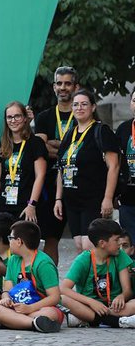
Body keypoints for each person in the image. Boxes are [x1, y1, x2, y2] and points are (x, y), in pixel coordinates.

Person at [54, 89, 121, 252]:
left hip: (93, 198)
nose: (79, 108)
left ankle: (104, 277)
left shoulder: (101, 131)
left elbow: (114, 166)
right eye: (75, 104)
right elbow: (61, 169)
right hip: (72, 200)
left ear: (93, 107)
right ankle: (90, 278)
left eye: (84, 104)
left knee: (90, 246)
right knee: (79, 246)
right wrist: (58, 199)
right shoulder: (69, 134)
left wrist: (108, 198)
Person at [32, 66, 79, 264]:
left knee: (83, 239)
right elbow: (41, 148)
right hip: (51, 185)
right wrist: (70, 149)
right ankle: (51, 285)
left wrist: (56, 146)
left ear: (75, 87)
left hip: (79, 183)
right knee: (51, 237)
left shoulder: (83, 113)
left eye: (67, 83)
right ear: (53, 87)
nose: (63, 87)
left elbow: (85, 148)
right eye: (59, 83)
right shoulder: (44, 117)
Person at [0, 220, 62, 332]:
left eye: (11, 238)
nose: (9, 242)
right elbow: (7, 290)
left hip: (38, 307)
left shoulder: (44, 263)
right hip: (16, 307)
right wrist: (5, 299)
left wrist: (30, 308)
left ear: (19, 241)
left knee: (51, 314)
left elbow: (54, 297)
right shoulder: (13, 260)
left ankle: (9, 321)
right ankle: (34, 323)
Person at [60, 217, 135, 328]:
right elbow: (63, 288)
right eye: (116, 240)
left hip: (114, 308)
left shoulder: (120, 255)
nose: (119, 244)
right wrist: (91, 302)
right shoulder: (83, 260)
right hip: (89, 306)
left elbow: (127, 290)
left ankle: (88, 319)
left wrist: (122, 296)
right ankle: (116, 322)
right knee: (62, 298)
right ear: (102, 243)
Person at [0, 101, 48, 222]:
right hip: (3, 206)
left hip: (25, 207)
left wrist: (32, 204)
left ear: (25, 118)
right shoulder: (2, 145)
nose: (13, 120)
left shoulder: (35, 143)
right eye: (9, 117)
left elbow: (40, 176)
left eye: (17, 116)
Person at [118, 89, 135, 242]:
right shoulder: (123, 129)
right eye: (134, 100)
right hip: (128, 198)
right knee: (130, 244)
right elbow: (116, 163)